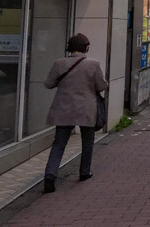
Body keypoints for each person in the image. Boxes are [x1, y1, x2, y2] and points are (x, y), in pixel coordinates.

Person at [42, 33, 107, 193]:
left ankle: (50, 175)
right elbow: (101, 86)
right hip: (86, 108)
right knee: (87, 142)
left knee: (59, 144)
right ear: (86, 48)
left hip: (63, 108)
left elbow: (49, 84)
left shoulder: (59, 63)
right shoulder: (93, 64)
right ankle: (84, 172)